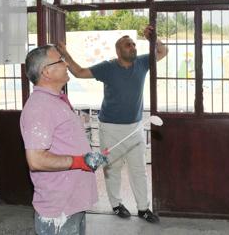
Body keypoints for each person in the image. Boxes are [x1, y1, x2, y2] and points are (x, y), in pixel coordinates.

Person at [57, 25, 168, 223]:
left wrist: (153, 39)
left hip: (135, 128)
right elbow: (80, 72)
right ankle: (116, 205)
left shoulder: (142, 62)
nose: (133, 47)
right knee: (112, 169)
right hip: (110, 127)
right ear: (118, 50)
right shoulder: (107, 67)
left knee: (139, 170)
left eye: (134, 44)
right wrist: (65, 53)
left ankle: (143, 208)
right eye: (128, 45)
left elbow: (163, 51)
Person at [20, 45, 105, 235]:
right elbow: (36, 160)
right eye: (60, 60)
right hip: (59, 205)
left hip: (71, 200)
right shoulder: (40, 107)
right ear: (47, 72)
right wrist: (79, 162)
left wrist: (88, 156)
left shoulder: (56, 99)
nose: (66, 64)